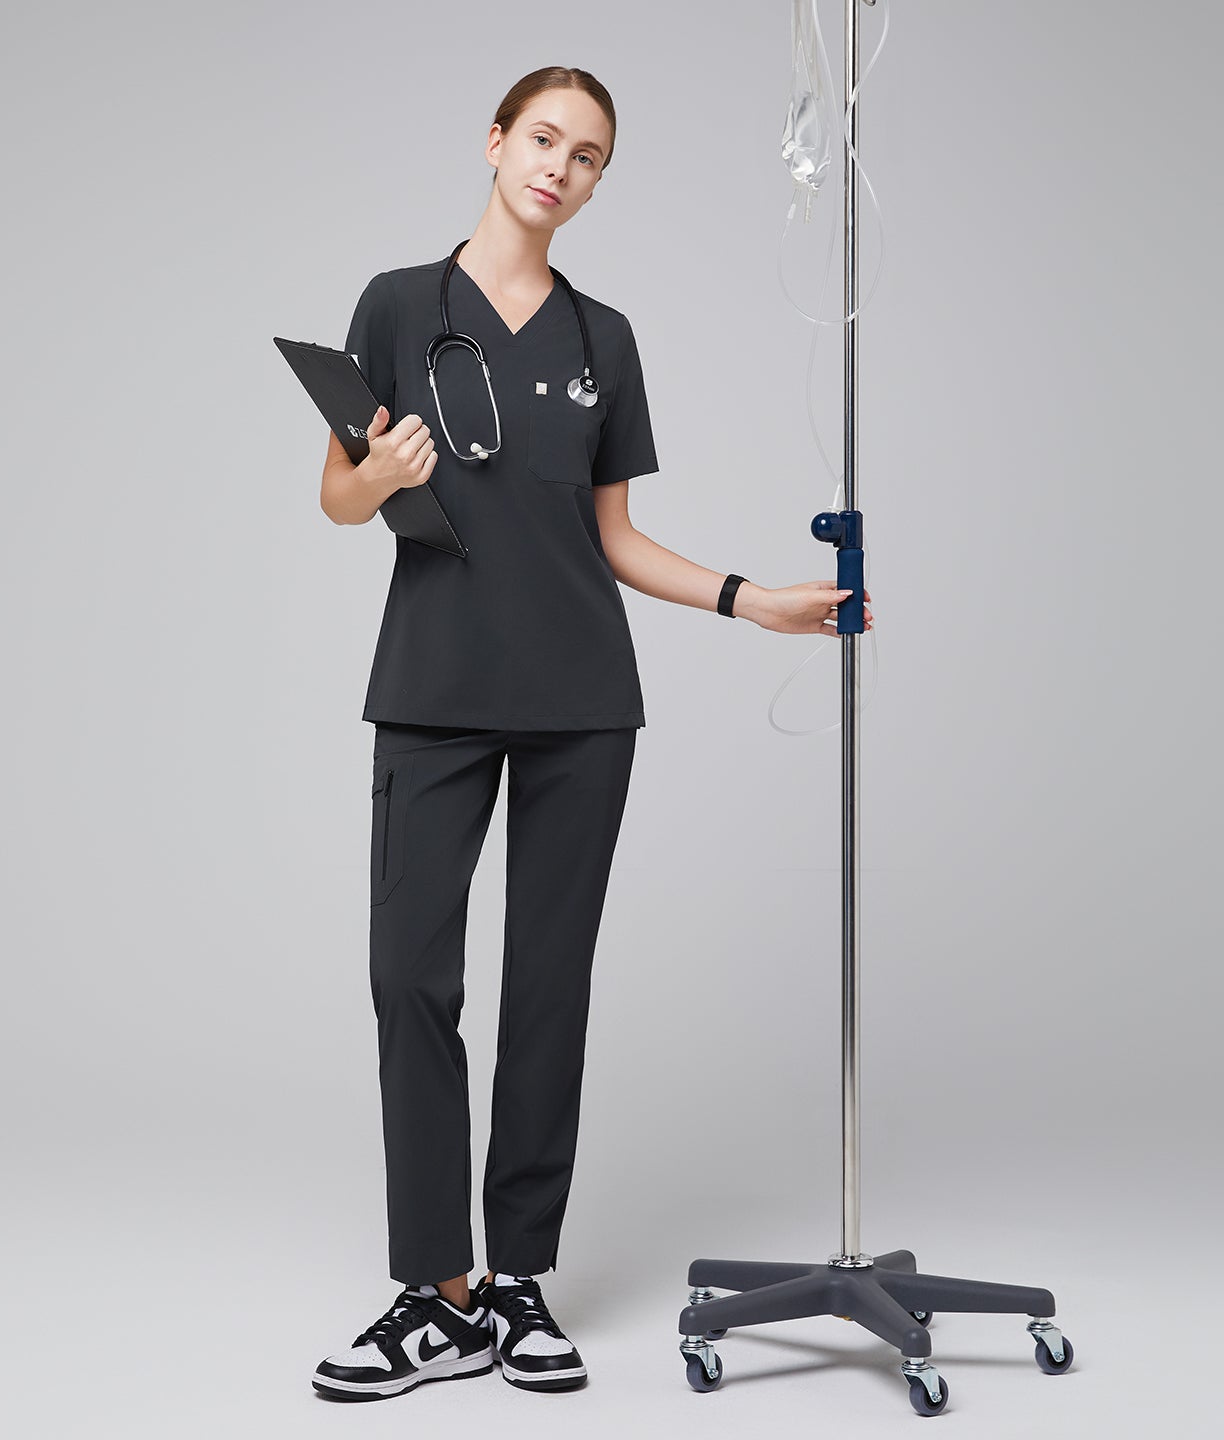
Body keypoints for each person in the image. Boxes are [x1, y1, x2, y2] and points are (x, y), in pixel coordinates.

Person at [311, 65, 873, 1403]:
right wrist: (375, 477)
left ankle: (518, 1281)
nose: (561, 166)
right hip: (434, 690)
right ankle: (430, 1291)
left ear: (596, 182)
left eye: (590, 156)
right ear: (496, 141)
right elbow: (338, 495)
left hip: (581, 706)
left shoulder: (600, 339)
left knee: (548, 994)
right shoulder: (398, 306)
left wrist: (751, 600)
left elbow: (613, 539)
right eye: (545, 138)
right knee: (412, 982)